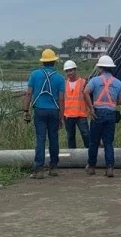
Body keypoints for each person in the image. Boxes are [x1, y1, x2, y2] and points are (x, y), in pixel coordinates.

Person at [24, 48, 65, 179]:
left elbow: (29, 93)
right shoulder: (59, 78)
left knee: (40, 139)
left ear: (43, 62)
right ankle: (53, 168)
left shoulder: (35, 75)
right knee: (54, 139)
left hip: (39, 111)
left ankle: (39, 169)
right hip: (54, 111)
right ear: (54, 61)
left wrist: (26, 110)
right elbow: (62, 99)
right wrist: (61, 116)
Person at [85, 54, 121, 177]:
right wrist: (112, 102)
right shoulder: (118, 83)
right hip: (111, 114)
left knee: (94, 142)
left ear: (101, 68)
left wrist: (91, 108)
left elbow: (85, 92)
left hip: (98, 113)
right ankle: (110, 168)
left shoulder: (94, 81)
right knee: (108, 142)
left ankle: (91, 167)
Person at [61, 59, 90, 149]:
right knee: (70, 137)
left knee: (86, 135)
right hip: (68, 115)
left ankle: (90, 154)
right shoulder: (64, 84)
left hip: (81, 115)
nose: (69, 73)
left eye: (71, 70)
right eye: (67, 71)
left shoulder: (83, 82)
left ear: (75, 70)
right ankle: (72, 157)